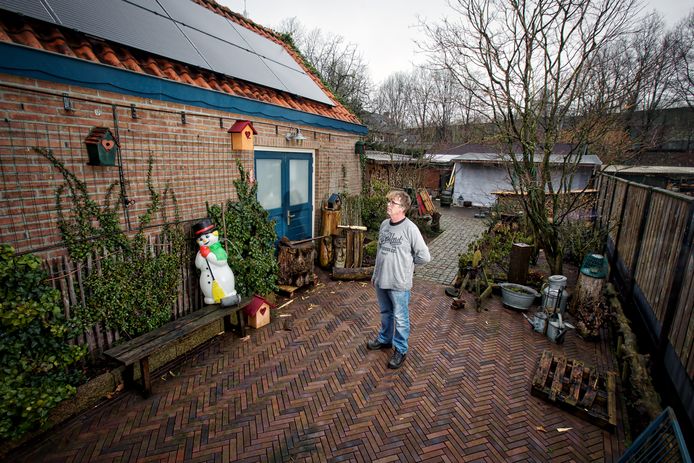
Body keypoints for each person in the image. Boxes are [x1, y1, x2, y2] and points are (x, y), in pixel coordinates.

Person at [367, 190, 431, 369]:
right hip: (382, 280)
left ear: (402, 208)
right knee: (385, 313)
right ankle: (385, 339)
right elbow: (380, 252)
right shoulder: (384, 225)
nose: (388, 205)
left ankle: (401, 350)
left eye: (392, 203)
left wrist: (408, 266)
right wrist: (375, 274)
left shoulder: (410, 228)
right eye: (389, 202)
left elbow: (425, 256)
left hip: (399, 283)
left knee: (400, 318)